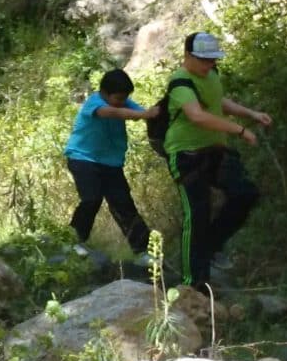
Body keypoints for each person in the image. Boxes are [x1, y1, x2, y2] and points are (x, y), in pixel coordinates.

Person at [163, 31, 273, 287]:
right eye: (203, 60)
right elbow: (197, 115)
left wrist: (251, 114)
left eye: (212, 60)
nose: (208, 65)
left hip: (214, 151)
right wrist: (240, 130)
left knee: (245, 193)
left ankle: (210, 247)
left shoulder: (211, 75)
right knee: (197, 214)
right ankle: (194, 284)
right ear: (188, 56)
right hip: (186, 155)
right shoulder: (180, 82)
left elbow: (217, 101)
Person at [64, 69, 153, 255]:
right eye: (119, 98)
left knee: (123, 204)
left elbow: (141, 113)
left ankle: (143, 250)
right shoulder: (95, 102)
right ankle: (75, 240)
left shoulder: (123, 103)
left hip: (111, 163)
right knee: (91, 198)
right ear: (105, 93)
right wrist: (142, 115)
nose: (122, 102)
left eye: (125, 98)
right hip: (83, 158)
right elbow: (108, 112)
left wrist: (151, 114)